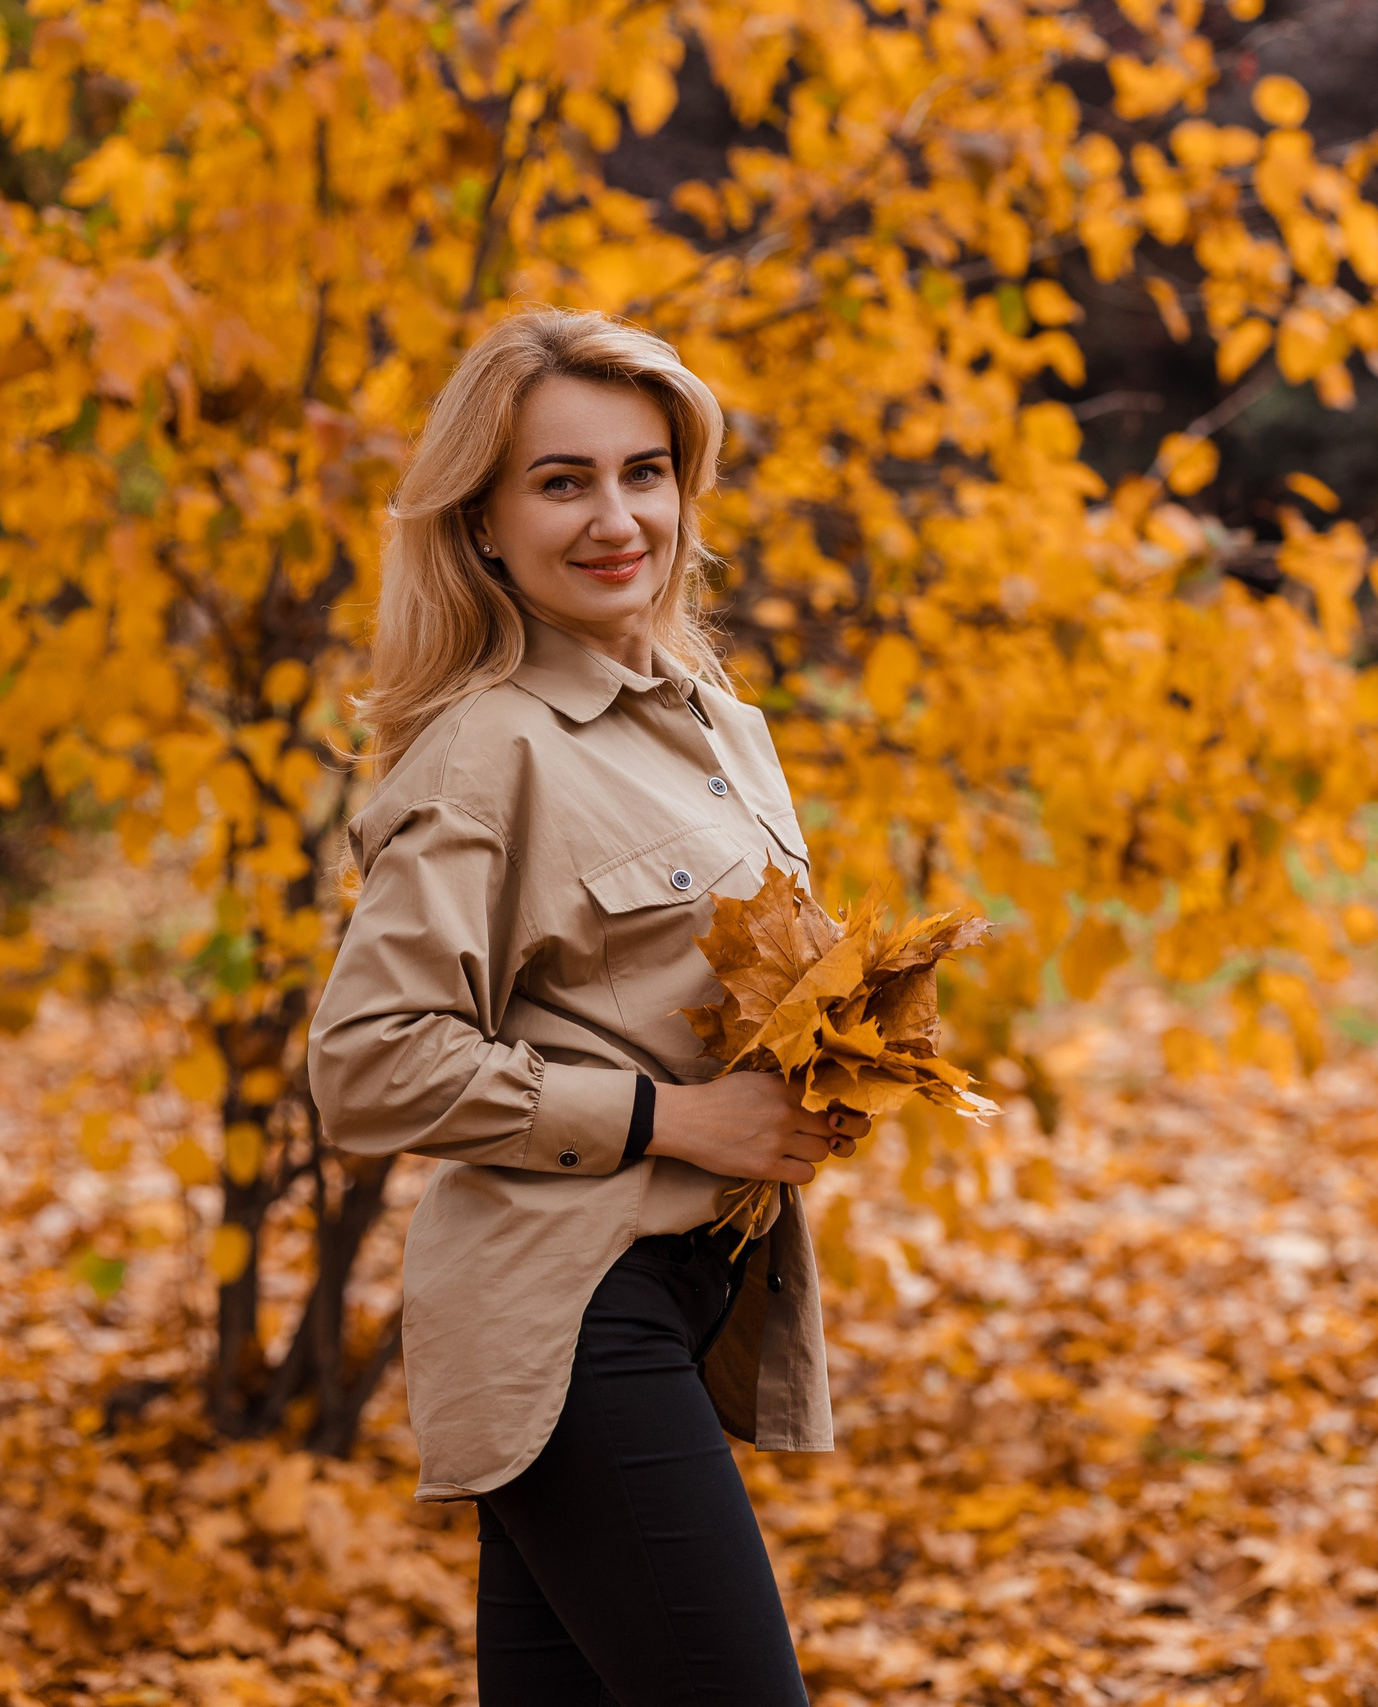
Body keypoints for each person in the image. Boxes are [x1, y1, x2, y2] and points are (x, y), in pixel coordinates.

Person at [309, 307, 858, 1706]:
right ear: (484, 522)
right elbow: (368, 1065)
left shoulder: (718, 724)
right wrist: (680, 1119)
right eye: (563, 481)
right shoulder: (485, 752)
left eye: (645, 472)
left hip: (678, 1293)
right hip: (570, 1317)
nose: (617, 516)